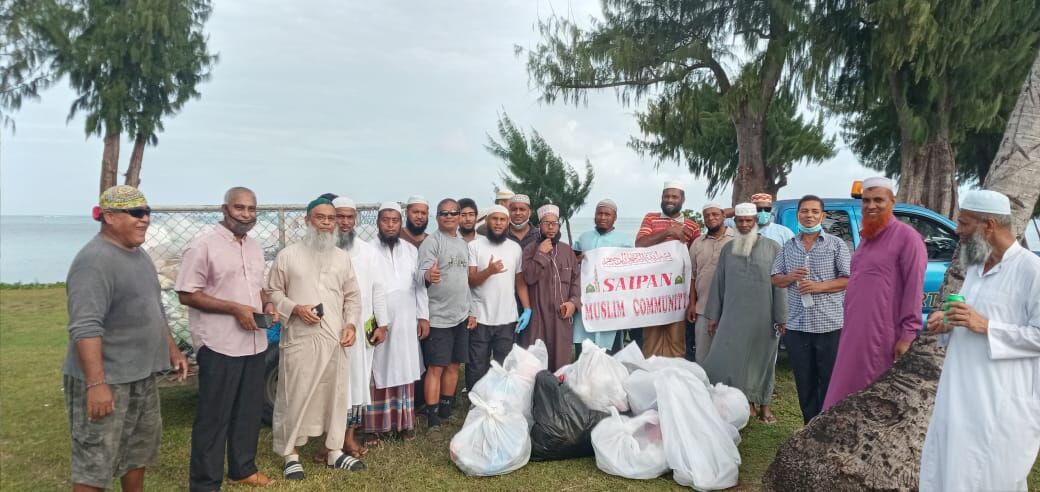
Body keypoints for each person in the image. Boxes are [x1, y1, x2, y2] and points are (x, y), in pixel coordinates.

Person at [63, 185, 188, 492]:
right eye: (136, 213)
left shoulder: (138, 254)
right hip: (108, 380)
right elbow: (85, 326)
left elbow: (154, 307)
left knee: (137, 452)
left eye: (147, 213)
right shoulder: (94, 262)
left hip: (141, 375)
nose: (144, 219)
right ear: (108, 217)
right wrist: (96, 384)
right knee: (96, 462)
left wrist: (172, 350)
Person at [919, 190, 1040, 491]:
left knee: (991, 476)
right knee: (948, 470)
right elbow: (967, 319)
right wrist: (946, 323)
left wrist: (985, 325)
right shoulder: (976, 266)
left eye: (964, 223)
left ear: (989, 226)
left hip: (1001, 400)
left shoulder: (1031, 270)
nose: (957, 231)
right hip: (957, 394)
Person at [177, 187, 278, 490]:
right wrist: (234, 309)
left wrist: (267, 304)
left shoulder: (255, 247)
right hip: (219, 343)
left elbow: (257, 288)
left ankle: (243, 468)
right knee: (214, 417)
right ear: (225, 209)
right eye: (240, 208)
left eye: (251, 209)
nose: (246, 215)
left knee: (247, 411)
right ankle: (206, 483)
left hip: (254, 342)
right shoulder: (203, 246)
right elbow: (186, 293)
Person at [267, 197, 363, 478]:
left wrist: (351, 325)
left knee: (335, 395)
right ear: (308, 220)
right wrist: (294, 308)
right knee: (294, 395)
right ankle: (290, 453)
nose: (326, 223)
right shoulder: (288, 255)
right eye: (320, 217)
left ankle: (334, 451)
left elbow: (353, 297)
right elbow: (273, 291)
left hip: (335, 339)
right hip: (301, 338)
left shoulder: (342, 258)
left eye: (331, 218)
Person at [823, 177, 927, 410]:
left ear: (892, 201)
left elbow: (914, 288)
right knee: (844, 392)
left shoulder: (907, 238)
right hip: (854, 331)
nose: (871, 205)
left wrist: (908, 335)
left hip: (882, 334)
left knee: (869, 397)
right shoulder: (867, 238)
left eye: (878, 200)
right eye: (866, 200)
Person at [702, 203, 787, 424]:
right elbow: (718, 283)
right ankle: (740, 403)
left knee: (763, 361)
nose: (745, 224)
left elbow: (780, 285)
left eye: (749, 220)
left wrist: (781, 318)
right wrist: (714, 316)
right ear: (735, 223)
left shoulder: (773, 248)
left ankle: (764, 406)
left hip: (764, 317)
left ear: (755, 221)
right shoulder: (728, 250)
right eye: (740, 221)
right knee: (731, 360)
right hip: (732, 316)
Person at [770, 195, 851, 423]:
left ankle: (825, 425)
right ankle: (808, 426)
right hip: (798, 325)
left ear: (822, 216)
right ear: (798, 215)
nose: (809, 216)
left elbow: (848, 279)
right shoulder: (789, 246)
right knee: (804, 381)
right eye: (805, 211)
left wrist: (818, 287)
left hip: (829, 324)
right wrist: (789, 277)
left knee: (828, 381)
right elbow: (775, 279)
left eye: (815, 212)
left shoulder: (836, 245)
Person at [364, 203, 427, 444]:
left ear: (401, 224)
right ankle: (372, 427)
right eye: (385, 220)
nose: (390, 225)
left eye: (395, 221)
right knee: (376, 370)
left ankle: (404, 424)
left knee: (405, 367)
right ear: (378, 223)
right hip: (379, 320)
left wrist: (423, 317)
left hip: (407, 319)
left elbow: (419, 287)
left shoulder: (411, 251)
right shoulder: (367, 251)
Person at [332, 196, 388, 461]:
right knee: (330, 384)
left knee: (357, 383)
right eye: (339, 216)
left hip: (360, 325)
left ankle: (349, 437)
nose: (344, 222)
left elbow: (378, 288)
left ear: (355, 219)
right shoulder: (320, 248)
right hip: (328, 328)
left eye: (349, 217)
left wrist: (383, 323)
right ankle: (328, 440)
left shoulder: (367, 251)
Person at [417, 198, 472, 426]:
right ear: (437, 217)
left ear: (460, 217)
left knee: (453, 365)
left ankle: (446, 409)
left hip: (460, 316)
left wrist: (471, 310)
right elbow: (420, 274)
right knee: (436, 367)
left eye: (453, 213)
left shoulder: (463, 244)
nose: (449, 216)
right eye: (443, 213)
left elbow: (465, 281)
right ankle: (432, 415)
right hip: (438, 317)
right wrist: (429, 276)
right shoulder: (432, 242)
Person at [465, 204, 530, 389]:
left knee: (504, 365)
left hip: (507, 318)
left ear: (508, 223)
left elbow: (519, 282)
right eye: (495, 219)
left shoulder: (515, 248)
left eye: (502, 220)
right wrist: (489, 271)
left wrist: (527, 308)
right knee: (477, 365)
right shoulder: (474, 246)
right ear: (487, 221)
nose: (498, 223)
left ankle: (502, 400)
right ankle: (476, 402)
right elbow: (471, 280)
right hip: (480, 317)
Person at [635, 180, 701, 357]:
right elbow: (640, 244)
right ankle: (650, 379)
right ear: (661, 198)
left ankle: (674, 380)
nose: (670, 199)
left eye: (674, 196)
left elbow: (695, 263)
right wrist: (669, 232)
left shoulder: (692, 226)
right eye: (666, 196)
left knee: (676, 341)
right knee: (651, 340)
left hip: (678, 293)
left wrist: (692, 299)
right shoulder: (650, 218)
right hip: (653, 293)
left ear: (682, 199)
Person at [522, 204, 580, 371]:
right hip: (537, 319)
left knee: (561, 363)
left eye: (555, 223)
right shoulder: (530, 250)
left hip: (561, 317)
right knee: (536, 363)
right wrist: (540, 254)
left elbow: (577, 281)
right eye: (546, 223)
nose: (551, 227)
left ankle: (558, 394)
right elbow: (528, 278)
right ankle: (537, 396)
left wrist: (573, 303)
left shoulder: (567, 251)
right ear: (539, 226)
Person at [571, 199, 631, 356]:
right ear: (594, 216)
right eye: (600, 213)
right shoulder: (583, 238)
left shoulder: (625, 241)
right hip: (586, 303)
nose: (603, 217)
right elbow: (572, 265)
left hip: (612, 305)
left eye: (607, 214)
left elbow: (631, 271)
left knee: (610, 354)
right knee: (583, 350)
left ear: (615, 217)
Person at [686, 201, 735, 363]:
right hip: (703, 308)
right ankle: (704, 388)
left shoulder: (736, 239)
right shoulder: (697, 243)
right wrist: (692, 304)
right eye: (707, 215)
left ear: (723, 215)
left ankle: (726, 388)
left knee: (728, 354)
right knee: (703, 355)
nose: (711, 218)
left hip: (730, 309)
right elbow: (693, 276)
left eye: (715, 214)